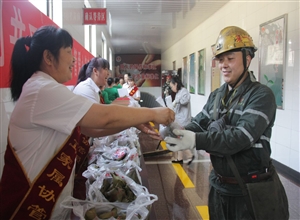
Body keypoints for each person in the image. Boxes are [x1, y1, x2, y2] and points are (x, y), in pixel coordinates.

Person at [0, 25, 174, 220]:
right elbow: (103, 117)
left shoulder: (44, 87)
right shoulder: (41, 89)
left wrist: (132, 122)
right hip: (29, 204)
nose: (74, 59)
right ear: (48, 57)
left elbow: (91, 129)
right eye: (68, 52)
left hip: (50, 202)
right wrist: (152, 113)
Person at [164, 26, 288, 219]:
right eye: (221, 60)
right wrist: (178, 133)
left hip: (251, 192)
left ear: (248, 59)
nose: (223, 65)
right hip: (220, 187)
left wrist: (195, 140)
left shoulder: (261, 95)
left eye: (230, 59)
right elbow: (199, 123)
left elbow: (240, 137)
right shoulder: (217, 95)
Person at [169, 75, 194, 165]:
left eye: (172, 86)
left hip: (183, 120)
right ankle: (180, 158)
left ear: (176, 84)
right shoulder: (179, 92)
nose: (172, 89)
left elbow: (184, 101)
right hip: (179, 119)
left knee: (179, 138)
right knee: (178, 137)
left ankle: (189, 155)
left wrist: (176, 101)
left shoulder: (184, 92)